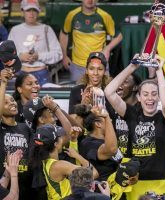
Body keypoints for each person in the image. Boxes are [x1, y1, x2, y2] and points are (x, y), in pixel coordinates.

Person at [105, 54, 165, 199]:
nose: (150, 98)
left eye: (154, 94)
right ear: (139, 97)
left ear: (158, 97)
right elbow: (108, 92)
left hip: (161, 182)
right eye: (146, 94)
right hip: (134, 182)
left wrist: (159, 71)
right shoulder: (131, 114)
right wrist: (132, 66)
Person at [59, 0, 122, 82]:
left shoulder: (104, 16)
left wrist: (107, 48)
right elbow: (64, 33)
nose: (90, 0)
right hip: (78, 66)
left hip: (99, 64)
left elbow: (119, 36)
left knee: (102, 92)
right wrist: (64, 56)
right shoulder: (72, 15)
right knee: (79, 93)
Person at [29, 124, 95, 200]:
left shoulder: (43, 161)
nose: (62, 138)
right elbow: (93, 173)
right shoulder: (58, 166)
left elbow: (74, 169)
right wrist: (78, 156)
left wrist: (73, 141)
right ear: (56, 144)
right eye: (60, 136)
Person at [8, 0, 63, 85]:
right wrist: (20, 57)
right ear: (22, 12)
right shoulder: (15, 30)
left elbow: (58, 54)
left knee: (41, 98)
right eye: (28, 10)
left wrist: (39, 56)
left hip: (42, 74)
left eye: (34, 10)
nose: (31, 13)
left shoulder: (46, 29)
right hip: (20, 73)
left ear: (38, 12)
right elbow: (7, 55)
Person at [0, 68, 34, 200]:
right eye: (6, 102)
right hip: (5, 186)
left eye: (12, 101)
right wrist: (3, 83)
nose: (12, 104)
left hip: (26, 185)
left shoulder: (25, 128)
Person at [79, 106, 121, 181]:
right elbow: (112, 150)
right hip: (100, 190)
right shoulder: (88, 144)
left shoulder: (107, 139)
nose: (110, 121)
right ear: (98, 124)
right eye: (106, 120)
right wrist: (107, 117)